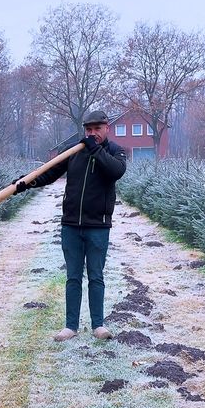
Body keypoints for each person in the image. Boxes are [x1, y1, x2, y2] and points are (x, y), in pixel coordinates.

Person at [15, 110, 128, 341]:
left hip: (98, 226)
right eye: (89, 129)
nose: (93, 133)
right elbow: (50, 173)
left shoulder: (115, 152)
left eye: (97, 129)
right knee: (73, 277)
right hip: (71, 226)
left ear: (107, 128)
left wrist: (94, 148)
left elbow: (116, 171)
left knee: (96, 276)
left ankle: (98, 325)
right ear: (84, 130)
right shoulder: (74, 152)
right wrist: (26, 182)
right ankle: (71, 326)